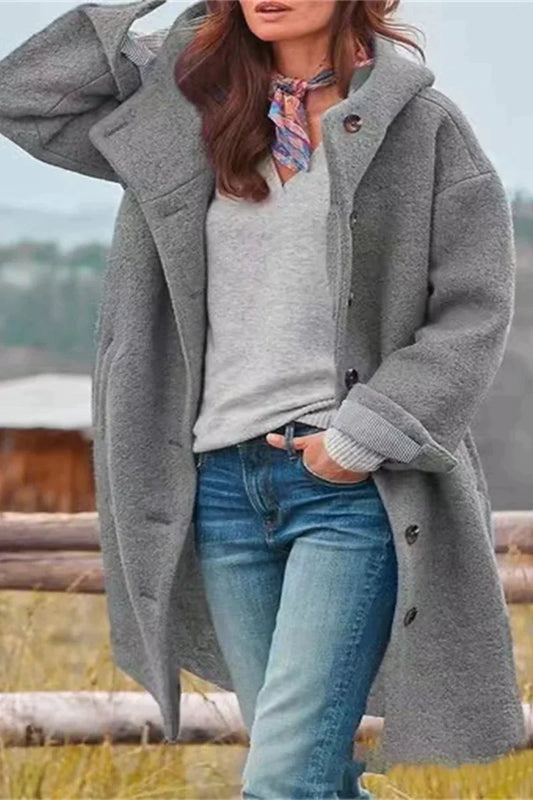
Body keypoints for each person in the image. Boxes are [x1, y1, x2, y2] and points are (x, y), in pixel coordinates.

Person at [0, 1, 526, 798]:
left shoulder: (420, 128)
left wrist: (358, 441)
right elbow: (24, 95)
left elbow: (473, 308)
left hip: (347, 487)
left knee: (281, 779)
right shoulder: (187, 115)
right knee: (310, 774)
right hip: (217, 487)